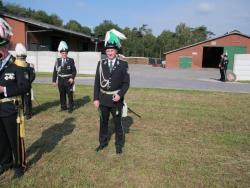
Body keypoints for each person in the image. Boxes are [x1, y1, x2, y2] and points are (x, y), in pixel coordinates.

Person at [0, 18, 30, 178]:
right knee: (1, 139)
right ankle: (5, 163)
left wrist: (4, 89)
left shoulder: (16, 64)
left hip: (11, 108)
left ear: (5, 47)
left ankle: (20, 164)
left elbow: (25, 86)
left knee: (15, 139)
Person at [93, 29, 130, 154]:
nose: (109, 53)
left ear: (116, 51)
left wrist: (120, 95)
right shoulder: (101, 64)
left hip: (116, 99)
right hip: (103, 98)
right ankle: (102, 143)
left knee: (117, 124)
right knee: (103, 123)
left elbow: (126, 83)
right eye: (108, 50)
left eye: (112, 50)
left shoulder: (123, 64)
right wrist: (96, 98)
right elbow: (97, 82)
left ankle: (119, 145)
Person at [52, 41, 76, 113]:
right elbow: (55, 71)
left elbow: (74, 71)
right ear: (60, 53)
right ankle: (63, 107)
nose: (64, 54)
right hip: (60, 80)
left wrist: (72, 78)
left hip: (68, 80)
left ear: (67, 53)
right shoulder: (58, 60)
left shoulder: (71, 60)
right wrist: (54, 81)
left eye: (65, 53)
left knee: (70, 94)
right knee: (62, 94)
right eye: (63, 53)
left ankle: (71, 108)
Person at [15, 43, 36, 120]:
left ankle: (28, 114)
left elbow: (33, 76)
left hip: (26, 87)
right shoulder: (15, 66)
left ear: (25, 57)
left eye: (23, 58)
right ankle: (21, 113)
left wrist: (28, 82)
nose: (21, 59)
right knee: (19, 101)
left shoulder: (29, 65)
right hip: (18, 87)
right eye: (20, 58)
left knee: (27, 101)